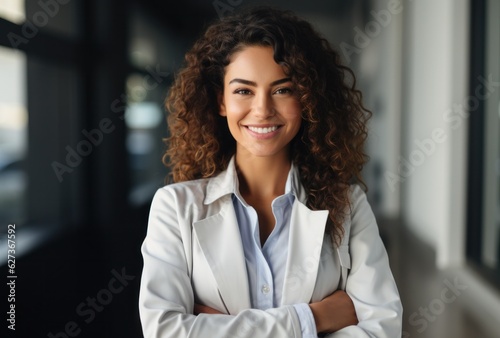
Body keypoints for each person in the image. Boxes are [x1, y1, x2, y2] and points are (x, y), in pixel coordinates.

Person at [138, 5, 402, 337]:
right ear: (221, 101)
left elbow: (382, 329)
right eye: (243, 91)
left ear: (306, 99)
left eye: (282, 89)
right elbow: (165, 331)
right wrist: (313, 319)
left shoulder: (349, 205)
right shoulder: (174, 208)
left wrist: (215, 328)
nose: (262, 110)